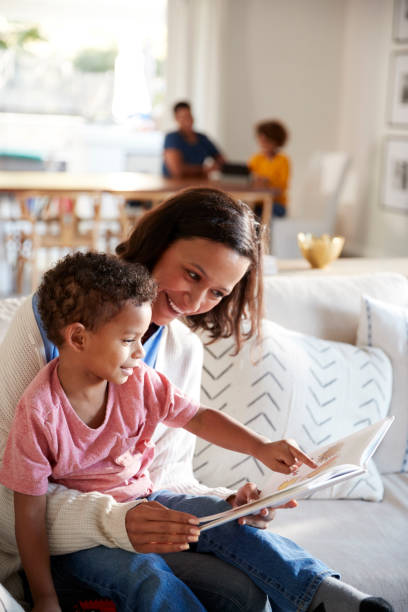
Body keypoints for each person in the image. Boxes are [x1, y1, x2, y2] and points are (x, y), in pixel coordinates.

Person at [0, 188, 392, 612]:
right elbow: (14, 500)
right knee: (149, 579)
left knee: (241, 590)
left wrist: (230, 505)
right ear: (159, 244)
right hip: (74, 542)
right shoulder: (47, 352)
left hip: (143, 507)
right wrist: (113, 524)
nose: (195, 302)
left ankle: (331, 599)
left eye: (218, 293)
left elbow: (177, 461)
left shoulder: (164, 363)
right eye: (192, 274)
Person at [0, 251, 318, 611]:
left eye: (142, 339)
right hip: (82, 545)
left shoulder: (138, 381)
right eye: (128, 340)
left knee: (224, 518)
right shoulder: (39, 411)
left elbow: (198, 417)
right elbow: (27, 511)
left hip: (146, 503)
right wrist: (43, 597)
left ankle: (322, 594)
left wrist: (260, 447)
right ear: (78, 338)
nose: (140, 352)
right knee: (147, 576)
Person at [162, 101, 225, 178]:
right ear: (176, 119)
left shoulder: (202, 138)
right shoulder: (172, 138)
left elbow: (221, 159)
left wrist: (216, 165)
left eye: (189, 115)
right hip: (175, 186)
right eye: (183, 117)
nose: (187, 120)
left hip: (199, 183)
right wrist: (203, 169)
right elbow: (177, 170)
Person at [248, 120, 291, 218]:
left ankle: (264, 233)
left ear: (276, 141)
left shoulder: (283, 160)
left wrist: (266, 181)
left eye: (267, 141)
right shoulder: (256, 159)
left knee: (262, 215)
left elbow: (282, 186)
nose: (264, 144)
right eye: (261, 140)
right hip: (257, 203)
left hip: (277, 204)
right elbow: (248, 178)